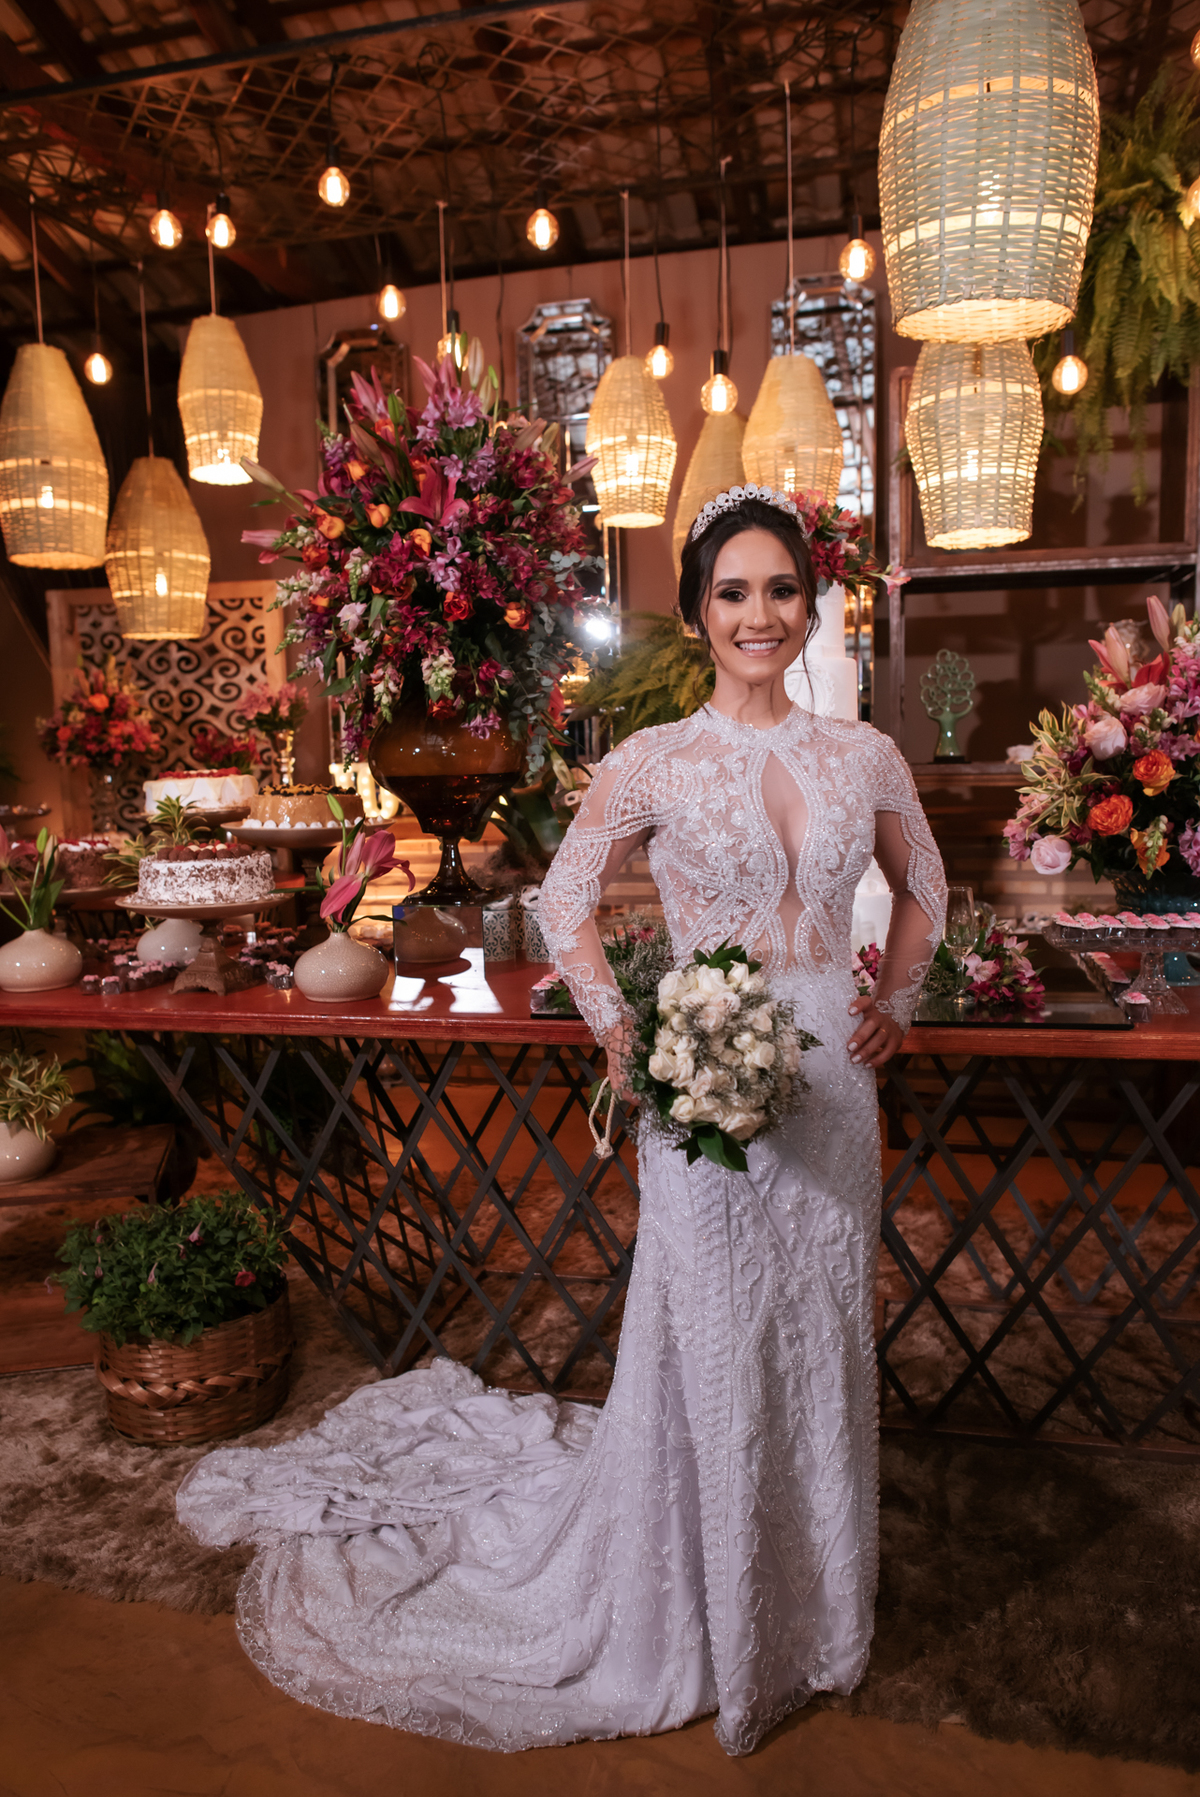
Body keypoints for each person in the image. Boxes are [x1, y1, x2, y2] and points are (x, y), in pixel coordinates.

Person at [177, 485, 946, 1758]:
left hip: (831, 1109)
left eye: (781, 589)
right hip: (703, 1105)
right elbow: (566, 895)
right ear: (701, 613)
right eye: (732, 592)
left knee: (817, 1346)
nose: (760, 614)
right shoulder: (655, 760)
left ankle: (813, 1616)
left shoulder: (862, 754)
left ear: (812, 604)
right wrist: (624, 1030)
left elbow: (924, 882)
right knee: (711, 1346)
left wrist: (899, 1003)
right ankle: (700, 1616)